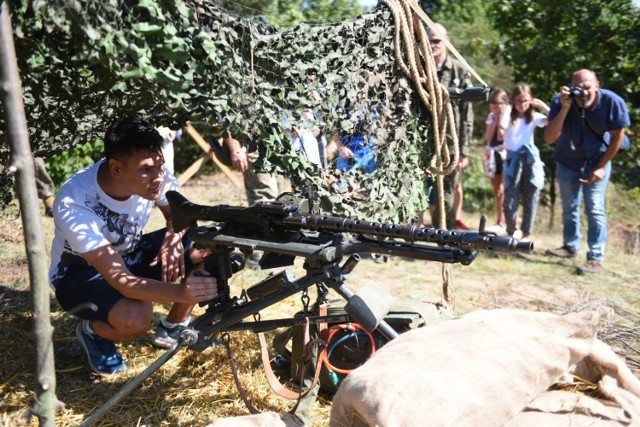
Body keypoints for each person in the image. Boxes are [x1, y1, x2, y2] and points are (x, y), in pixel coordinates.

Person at [49, 115, 218, 375]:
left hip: (130, 254)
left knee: (207, 244)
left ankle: (174, 326)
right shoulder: (75, 201)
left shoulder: (151, 173)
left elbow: (179, 213)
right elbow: (122, 281)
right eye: (147, 169)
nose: (159, 177)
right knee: (138, 318)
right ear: (116, 168)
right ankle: (92, 332)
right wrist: (181, 293)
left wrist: (174, 236)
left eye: (160, 166)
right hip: (78, 276)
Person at [544, 69, 631, 274]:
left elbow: (618, 137)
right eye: (578, 87)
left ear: (597, 85)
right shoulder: (561, 100)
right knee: (569, 207)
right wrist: (565, 108)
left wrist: (600, 166)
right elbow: (549, 138)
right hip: (567, 161)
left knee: (594, 208)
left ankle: (595, 258)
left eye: (587, 87)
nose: (583, 92)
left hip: (597, 160)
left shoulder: (612, 102)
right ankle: (569, 247)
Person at [425, 23, 474, 230]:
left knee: (447, 194)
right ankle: (417, 235)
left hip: (450, 144)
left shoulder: (459, 70)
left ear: (447, 42)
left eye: (436, 40)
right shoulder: (419, 67)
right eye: (428, 41)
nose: (432, 45)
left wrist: (464, 151)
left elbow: (467, 114)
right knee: (421, 192)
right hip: (423, 143)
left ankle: (444, 236)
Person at [502, 84, 549, 240]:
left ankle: (526, 232)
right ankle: (511, 230)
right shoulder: (508, 116)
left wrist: (541, 104)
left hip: (529, 158)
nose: (521, 104)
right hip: (512, 159)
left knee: (531, 196)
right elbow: (502, 126)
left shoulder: (533, 117)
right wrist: (509, 107)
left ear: (530, 100)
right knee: (510, 198)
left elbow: (552, 119)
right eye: (518, 101)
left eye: (525, 101)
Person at [482, 89, 510, 233]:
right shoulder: (492, 116)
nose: (494, 109)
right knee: (497, 190)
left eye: (497, 106)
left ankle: (510, 220)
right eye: (492, 107)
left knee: (507, 189)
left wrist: (502, 121)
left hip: (506, 153)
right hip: (492, 154)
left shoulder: (510, 115)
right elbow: (489, 137)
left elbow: (501, 137)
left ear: (504, 104)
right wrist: (495, 119)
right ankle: (500, 220)